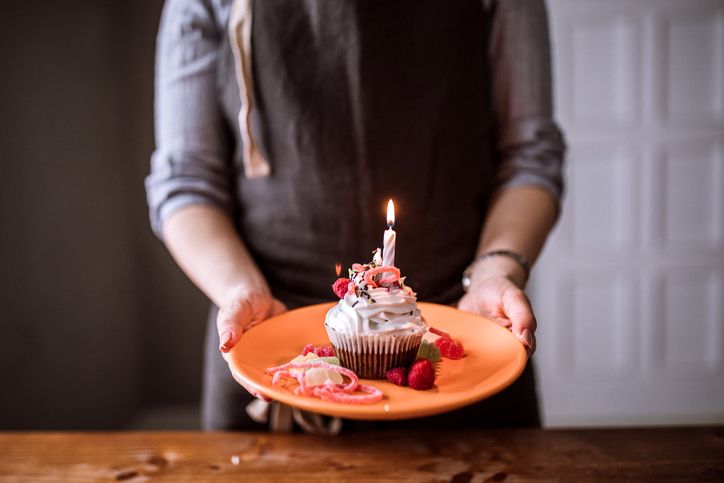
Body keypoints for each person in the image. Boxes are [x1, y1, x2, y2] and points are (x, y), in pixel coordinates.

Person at [146, 0, 565, 432]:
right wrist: (240, 290)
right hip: (269, 351)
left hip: (466, 343)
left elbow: (529, 158)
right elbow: (186, 182)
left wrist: (493, 271)